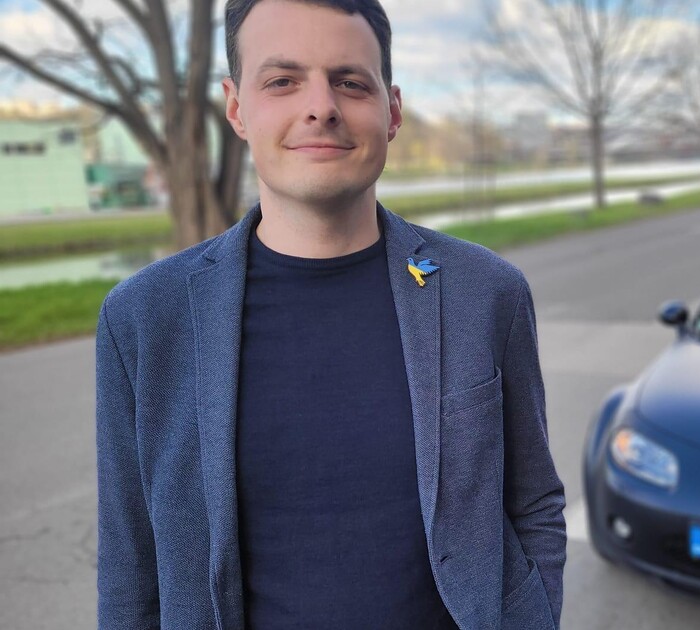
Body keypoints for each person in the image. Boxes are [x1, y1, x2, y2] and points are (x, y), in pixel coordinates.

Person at [94, 1, 566, 628]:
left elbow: (533, 503)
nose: (321, 107)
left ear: (391, 111)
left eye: (350, 82)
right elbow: (130, 567)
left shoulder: (487, 293)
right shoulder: (143, 318)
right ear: (236, 108)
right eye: (282, 81)